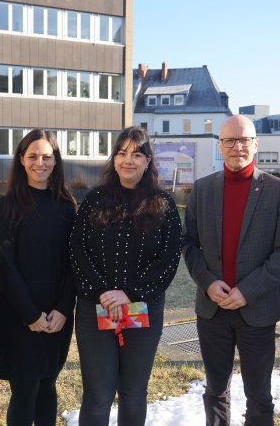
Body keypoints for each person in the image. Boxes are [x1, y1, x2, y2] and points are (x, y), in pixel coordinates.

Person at [182, 115, 280, 426]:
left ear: (256, 144)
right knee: (215, 390)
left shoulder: (279, 191)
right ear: (219, 146)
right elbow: (189, 244)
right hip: (213, 310)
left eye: (245, 139)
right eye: (229, 141)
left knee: (259, 394)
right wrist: (207, 283)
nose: (237, 147)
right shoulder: (202, 189)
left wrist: (247, 291)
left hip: (258, 309)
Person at [69, 126, 182, 425]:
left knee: (133, 393)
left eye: (136, 154)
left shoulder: (164, 205)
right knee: (97, 394)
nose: (127, 160)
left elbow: (168, 260)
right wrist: (105, 294)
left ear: (148, 161)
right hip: (95, 309)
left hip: (143, 310)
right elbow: (77, 250)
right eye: (121, 153)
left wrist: (129, 294)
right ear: (113, 159)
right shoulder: (94, 200)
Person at [0, 130, 77, 426]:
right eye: (33, 156)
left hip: (57, 316)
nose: (40, 162)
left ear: (56, 161)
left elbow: (73, 264)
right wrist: (30, 314)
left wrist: (64, 310)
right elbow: (5, 265)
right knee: (25, 390)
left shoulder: (67, 207)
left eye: (47, 156)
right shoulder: (6, 207)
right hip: (19, 314)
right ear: (21, 160)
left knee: (48, 385)